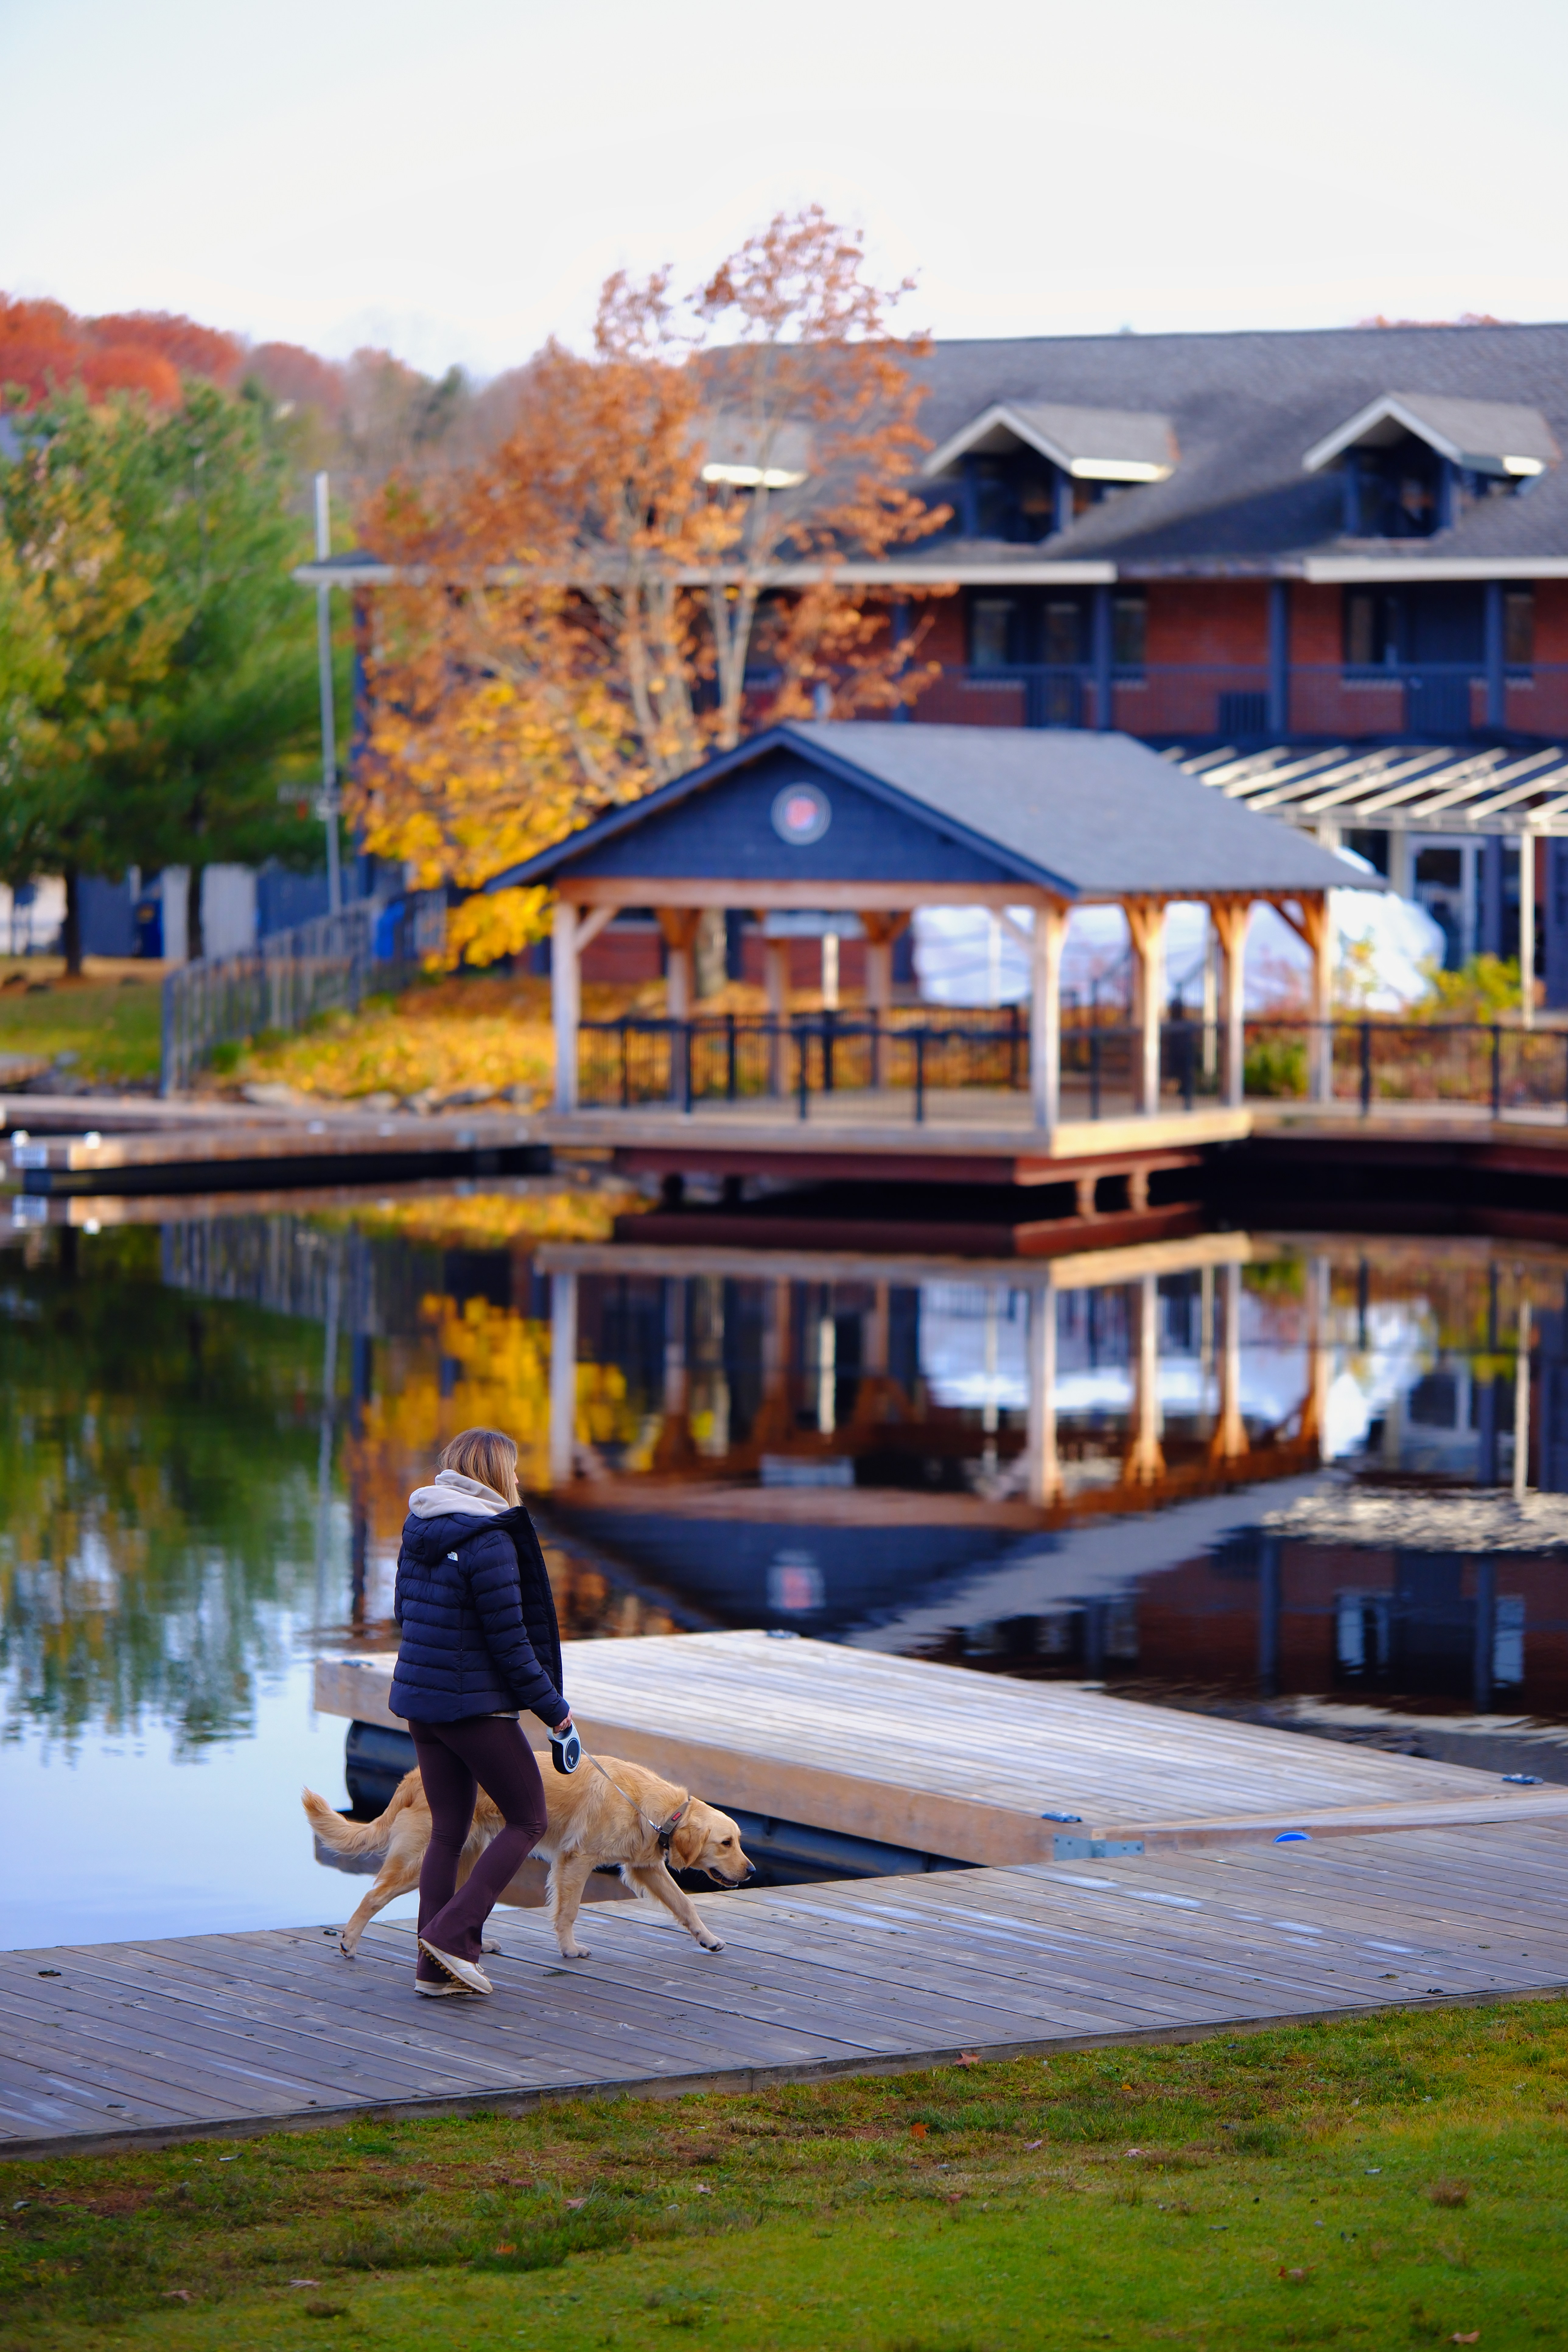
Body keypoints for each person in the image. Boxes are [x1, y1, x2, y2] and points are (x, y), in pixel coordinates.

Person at [388, 1426, 573, 1996]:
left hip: (423, 1703)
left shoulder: (420, 1524)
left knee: (448, 1831)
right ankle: (451, 1938)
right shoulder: (492, 1538)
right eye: (513, 1469)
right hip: (476, 1708)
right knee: (529, 1820)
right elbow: (511, 1645)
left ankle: (433, 1973)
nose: (518, 1480)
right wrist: (556, 1713)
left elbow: (403, 1611)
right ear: (495, 1473)